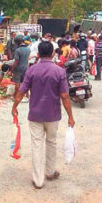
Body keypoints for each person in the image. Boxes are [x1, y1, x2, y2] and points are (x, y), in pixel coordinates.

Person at [12, 41, 75, 189]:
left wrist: (14, 107)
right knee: (51, 142)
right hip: (53, 114)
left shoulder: (32, 70)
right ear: (53, 54)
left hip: (35, 114)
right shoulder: (59, 71)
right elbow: (65, 96)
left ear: (38, 54)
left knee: (37, 144)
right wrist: (71, 117)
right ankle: (50, 171)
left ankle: (38, 179)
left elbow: (21, 90)